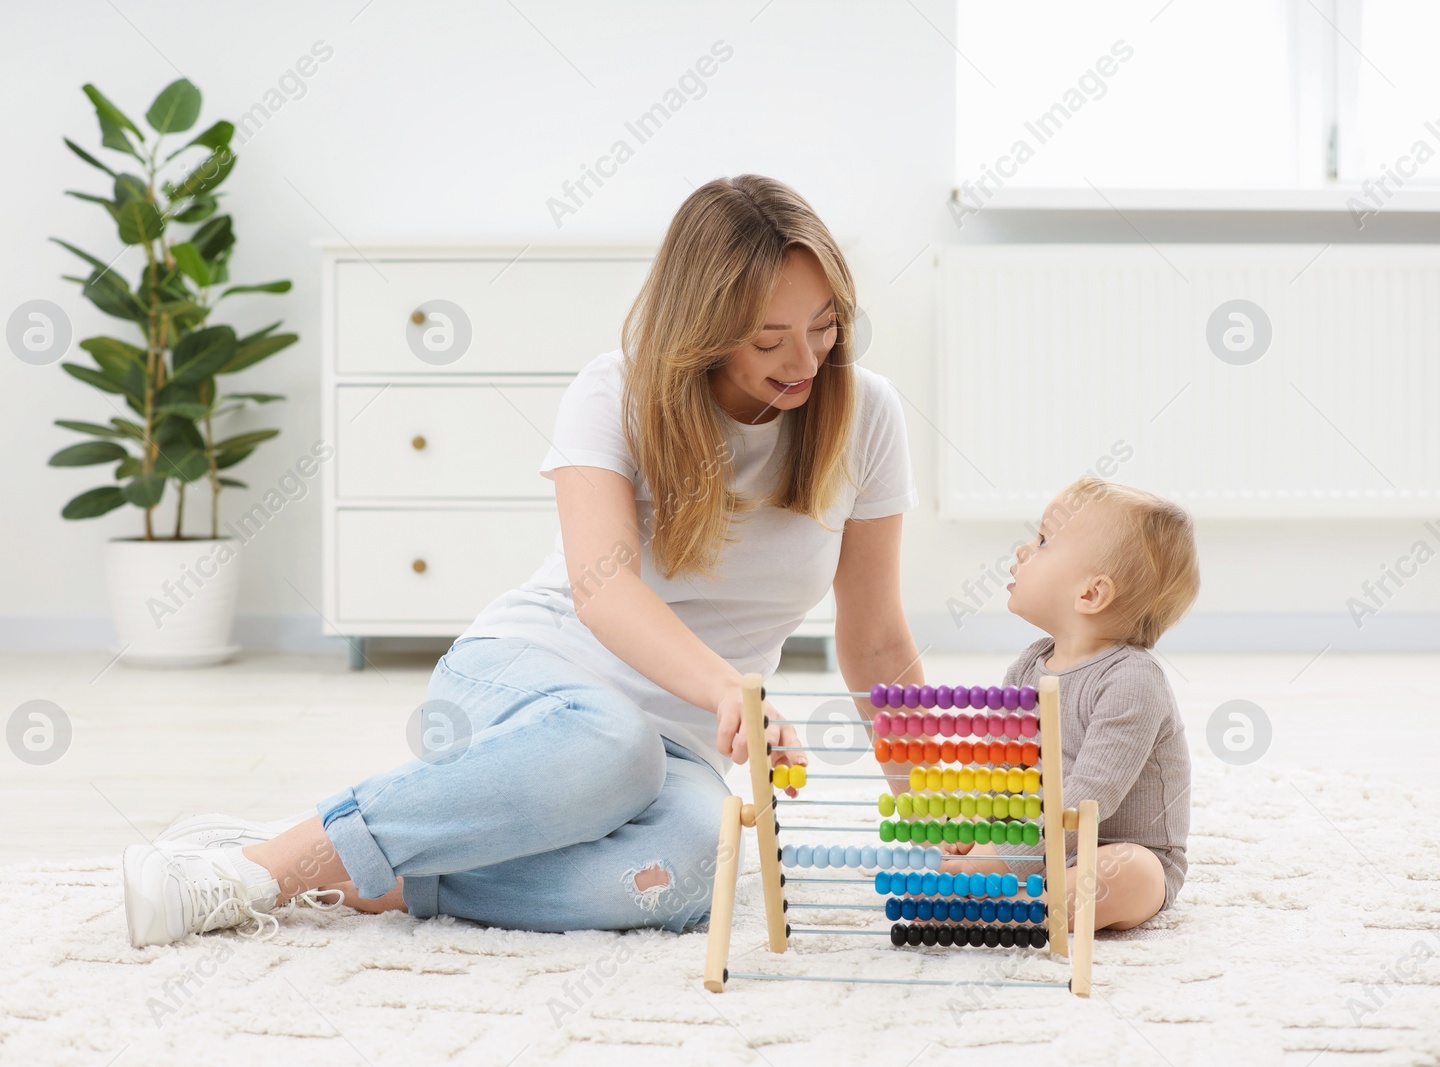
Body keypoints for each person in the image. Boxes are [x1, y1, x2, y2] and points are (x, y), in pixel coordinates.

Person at [120, 173, 926, 948]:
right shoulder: (614, 392)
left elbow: (878, 639)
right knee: (614, 745)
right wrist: (728, 688)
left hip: (678, 739)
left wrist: (934, 815)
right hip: (529, 675)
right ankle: (255, 869)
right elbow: (602, 590)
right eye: (770, 338)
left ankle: (372, 870)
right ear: (705, 325)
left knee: (688, 871)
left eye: (824, 325)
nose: (808, 360)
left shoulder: (867, 414)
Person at [936, 477, 1200, 931]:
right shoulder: (1028, 665)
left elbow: (1091, 798)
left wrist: (1008, 856)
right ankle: (1020, 897)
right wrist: (979, 819)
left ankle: (1024, 913)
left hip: (1105, 846)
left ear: (1091, 594)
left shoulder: (1133, 680)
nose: (1022, 551)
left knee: (1133, 873)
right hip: (1039, 838)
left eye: (1042, 542)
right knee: (946, 857)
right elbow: (1006, 768)